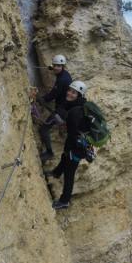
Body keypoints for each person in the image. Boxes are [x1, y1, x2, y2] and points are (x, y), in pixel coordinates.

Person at [49, 80, 89, 210]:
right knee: (64, 156)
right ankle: (56, 173)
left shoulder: (77, 111)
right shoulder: (76, 104)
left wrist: (60, 116)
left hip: (78, 147)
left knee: (69, 173)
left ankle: (64, 201)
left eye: (74, 93)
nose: (70, 94)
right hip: (73, 141)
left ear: (79, 96)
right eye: (70, 90)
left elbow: (69, 124)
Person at [38, 54, 72, 162]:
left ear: (63, 66)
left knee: (43, 129)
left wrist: (41, 99)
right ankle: (63, 126)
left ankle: (49, 153)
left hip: (61, 111)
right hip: (64, 107)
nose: (56, 67)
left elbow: (53, 95)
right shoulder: (65, 74)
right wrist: (51, 68)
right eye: (55, 65)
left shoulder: (62, 80)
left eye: (59, 66)